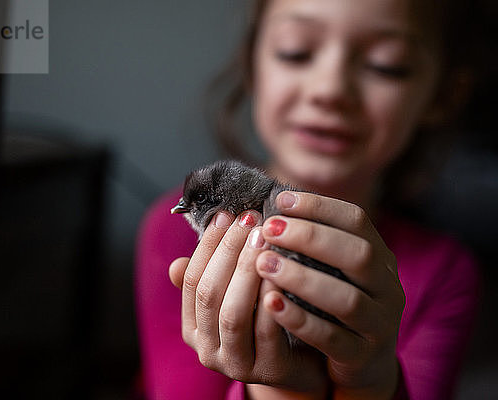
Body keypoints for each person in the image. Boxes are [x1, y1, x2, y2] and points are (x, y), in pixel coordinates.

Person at [135, 0, 484, 398]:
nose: (330, 90)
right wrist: (278, 386)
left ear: (443, 95)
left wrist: (369, 382)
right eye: (296, 51)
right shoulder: (173, 232)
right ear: (253, 64)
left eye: (387, 65)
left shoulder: (445, 274)